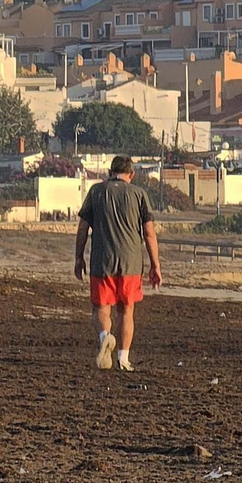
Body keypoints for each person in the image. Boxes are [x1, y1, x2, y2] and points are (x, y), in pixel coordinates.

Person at [74, 155, 162, 371]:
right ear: (131, 174)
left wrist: (78, 258)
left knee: (101, 309)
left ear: (110, 172)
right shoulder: (139, 194)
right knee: (126, 310)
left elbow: (83, 228)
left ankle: (105, 336)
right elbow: (149, 233)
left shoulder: (96, 192)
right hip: (131, 262)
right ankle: (123, 359)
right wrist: (155, 265)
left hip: (101, 260)